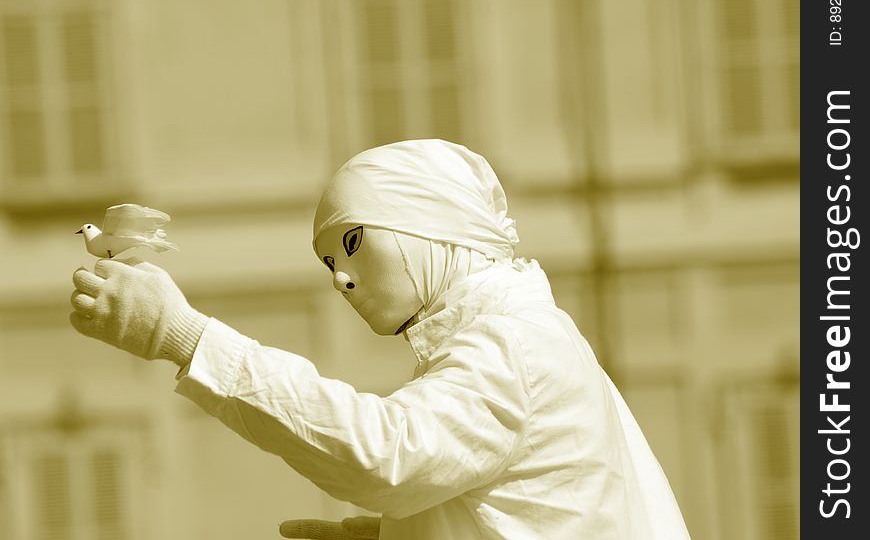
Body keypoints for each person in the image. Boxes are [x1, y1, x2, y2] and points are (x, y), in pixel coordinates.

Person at [69, 139, 690, 539]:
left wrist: (185, 337)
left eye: (353, 241)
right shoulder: (522, 338)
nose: (340, 276)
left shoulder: (515, 348)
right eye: (326, 262)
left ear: (430, 225)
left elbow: (386, 455)